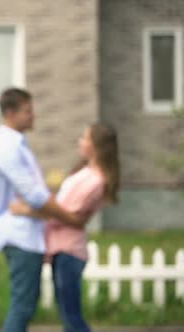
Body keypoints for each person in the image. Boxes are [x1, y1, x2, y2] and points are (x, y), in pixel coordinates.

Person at [0, 87, 84, 332]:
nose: (33, 116)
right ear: (11, 113)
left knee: (26, 304)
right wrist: (71, 217)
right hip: (19, 235)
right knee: (23, 306)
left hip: (28, 234)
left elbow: (34, 198)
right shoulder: (7, 148)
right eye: (27, 111)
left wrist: (45, 210)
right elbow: (35, 195)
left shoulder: (18, 144)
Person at [10, 123, 120, 332]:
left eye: (85, 138)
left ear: (96, 145)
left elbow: (65, 215)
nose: (80, 141)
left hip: (69, 252)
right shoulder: (86, 172)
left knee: (71, 317)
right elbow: (62, 209)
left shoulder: (96, 180)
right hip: (61, 250)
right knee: (68, 316)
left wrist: (27, 209)